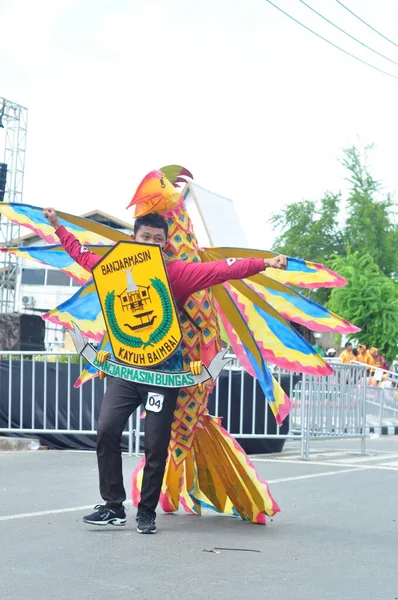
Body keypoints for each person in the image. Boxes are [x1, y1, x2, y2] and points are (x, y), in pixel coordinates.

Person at [43, 207, 287, 534]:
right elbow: (82, 255)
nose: (152, 243)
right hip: (125, 372)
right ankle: (113, 506)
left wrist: (263, 262)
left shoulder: (176, 273)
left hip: (163, 376)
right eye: (146, 237)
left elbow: (220, 270)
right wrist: (59, 227)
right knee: (106, 430)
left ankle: (146, 512)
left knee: (156, 445)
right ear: (133, 238)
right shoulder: (115, 267)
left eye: (159, 239)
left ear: (166, 244)